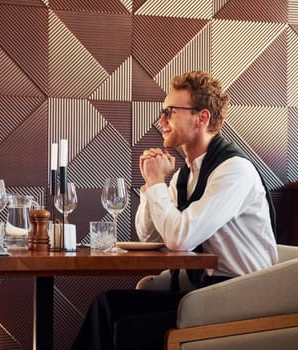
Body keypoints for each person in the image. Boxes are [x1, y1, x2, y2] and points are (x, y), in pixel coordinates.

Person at [71, 71, 278, 350]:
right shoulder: (186, 174)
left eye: (170, 111)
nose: (161, 121)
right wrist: (151, 185)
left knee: (130, 328)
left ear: (202, 117)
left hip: (242, 297)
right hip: (206, 292)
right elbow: (151, 236)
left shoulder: (233, 170)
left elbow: (180, 239)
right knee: (106, 305)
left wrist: (157, 183)